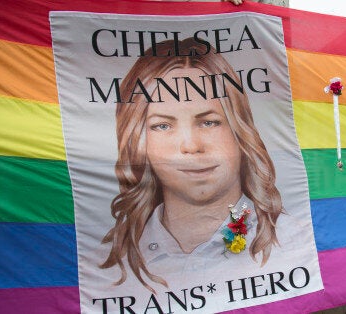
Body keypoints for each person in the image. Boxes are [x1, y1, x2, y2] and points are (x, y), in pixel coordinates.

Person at [99, 37, 284, 292]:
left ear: (239, 130)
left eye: (209, 122)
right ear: (139, 142)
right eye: (163, 126)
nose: (191, 145)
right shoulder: (109, 258)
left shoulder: (290, 239)